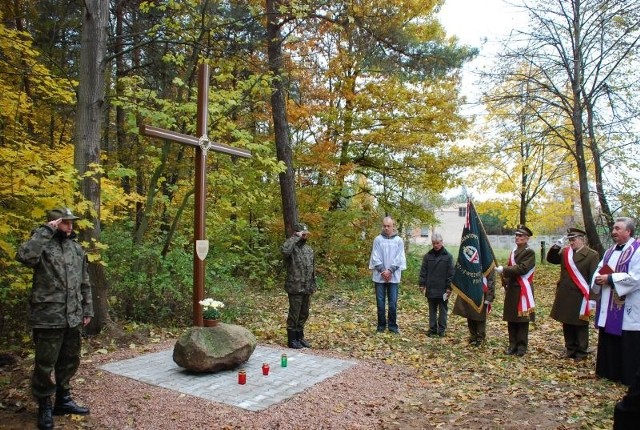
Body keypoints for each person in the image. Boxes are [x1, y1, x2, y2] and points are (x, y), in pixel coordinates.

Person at [15, 207, 93, 430]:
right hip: (48, 315)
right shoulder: (42, 245)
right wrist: (45, 231)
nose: (70, 226)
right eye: (65, 222)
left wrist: (88, 309)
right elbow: (24, 256)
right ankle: (44, 405)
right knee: (45, 363)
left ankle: (63, 400)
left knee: (70, 359)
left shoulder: (76, 248)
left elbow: (84, 281)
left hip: (73, 315)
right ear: (54, 222)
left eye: (72, 222)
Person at [592, 217, 640, 386]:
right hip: (608, 300)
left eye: (618, 228)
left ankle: (627, 375)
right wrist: (598, 278)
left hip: (629, 304)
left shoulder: (637, 250)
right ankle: (608, 371)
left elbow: (636, 278)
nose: (613, 232)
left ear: (628, 231)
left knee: (627, 340)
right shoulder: (610, 251)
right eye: (613, 228)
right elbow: (600, 268)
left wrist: (611, 278)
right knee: (608, 337)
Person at [546, 228, 599, 361]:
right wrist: (555, 247)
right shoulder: (565, 252)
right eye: (570, 240)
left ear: (582, 239)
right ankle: (570, 348)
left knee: (580, 324)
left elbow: (594, 278)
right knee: (567, 322)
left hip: (580, 295)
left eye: (574, 239)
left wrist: (593, 298)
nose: (571, 242)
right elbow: (551, 259)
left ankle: (581, 351)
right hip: (565, 293)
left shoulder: (592, 255)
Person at [495, 225, 535, 357]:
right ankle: (512, 345)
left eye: (521, 235)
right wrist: (505, 282)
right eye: (517, 235)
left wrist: (504, 270)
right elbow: (512, 268)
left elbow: (522, 268)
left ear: (527, 238)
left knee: (522, 319)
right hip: (512, 288)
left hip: (523, 289)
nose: (518, 237)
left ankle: (521, 347)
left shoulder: (529, 252)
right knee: (511, 318)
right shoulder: (513, 251)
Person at [281, 222, 317, 349]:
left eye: (306, 234)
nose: (305, 236)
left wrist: (313, 284)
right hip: (295, 287)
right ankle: (292, 339)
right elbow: (285, 251)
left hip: (307, 287)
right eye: (303, 234)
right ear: (296, 233)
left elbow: (312, 268)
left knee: (304, 313)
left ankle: (299, 337)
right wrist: (295, 237)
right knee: (294, 314)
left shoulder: (309, 250)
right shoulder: (291, 248)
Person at [369, 216, 407, 333]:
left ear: (393, 226)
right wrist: (382, 271)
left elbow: (400, 257)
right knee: (380, 302)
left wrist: (390, 271)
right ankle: (381, 326)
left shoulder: (399, 241)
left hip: (393, 276)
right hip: (380, 276)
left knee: (392, 303)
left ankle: (392, 326)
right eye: (384, 226)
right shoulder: (378, 240)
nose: (386, 228)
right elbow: (375, 256)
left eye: (388, 226)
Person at [419, 233, 454, 337]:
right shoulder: (427, 256)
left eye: (437, 243)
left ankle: (442, 329)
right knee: (432, 310)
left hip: (443, 289)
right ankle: (432, 329)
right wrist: (422, 284)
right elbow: (423, 271)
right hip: (431, 288)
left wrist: (449, 287)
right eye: (434, 243)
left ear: (442, 242)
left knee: (443, 310)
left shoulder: (448, 257)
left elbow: (451, 273)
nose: (435, 245)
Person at [452, 270, 495, 346]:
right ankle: (473, 336)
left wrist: (489, 296)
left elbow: (491, 280)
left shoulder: (487, 261)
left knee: (480, 316)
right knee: (469, 313)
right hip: (470, 290)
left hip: (482, 291)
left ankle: (480, 338)